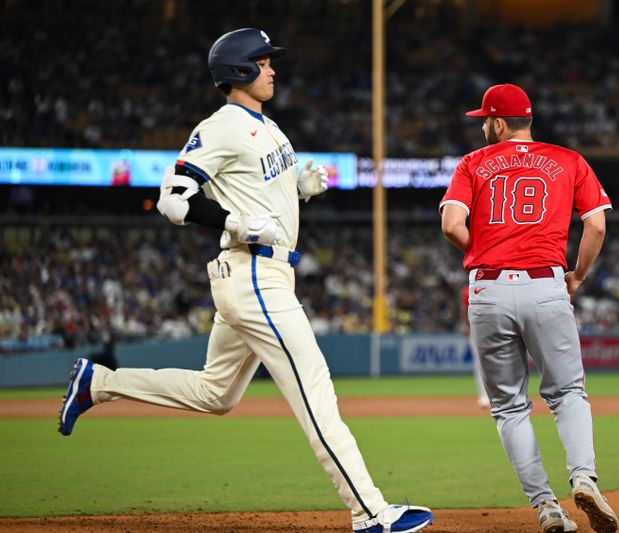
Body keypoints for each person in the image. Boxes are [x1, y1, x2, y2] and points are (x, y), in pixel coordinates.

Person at [58, 28, 433, 533]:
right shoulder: (222, 127)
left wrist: (299, 190)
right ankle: (370, 512)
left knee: (218, 394)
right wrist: (233, 222)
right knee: (315, 388)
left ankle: (98, 382)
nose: (273, 68)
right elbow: (173, 200)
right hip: (254, 273)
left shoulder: (266, 125)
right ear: (239, 70)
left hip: (263, 273)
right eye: (262, 61)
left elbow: (262, 199)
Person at [440, 83, 619, 533]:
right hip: (546, 284)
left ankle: (547, 508)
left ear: (499, 122)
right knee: (567, 393)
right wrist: (576, 275)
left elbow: (450, 224)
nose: (483, 125)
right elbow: (595, 225)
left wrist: (485, 251)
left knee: (509, 408)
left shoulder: (472, 163)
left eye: (485, 119)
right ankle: (583, 477)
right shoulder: (568, 160)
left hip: (488, 290)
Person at [461, 285, 490, 408]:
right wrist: (466, 325)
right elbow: (464, 309)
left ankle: (506, 394)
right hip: (475, 329)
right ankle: (484, 396)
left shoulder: (494, 284)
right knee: (479, 363)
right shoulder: (467, 290)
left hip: (493, 327)